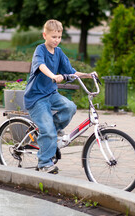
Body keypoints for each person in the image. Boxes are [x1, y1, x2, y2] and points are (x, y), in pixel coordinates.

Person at [24, 19, 96, 174]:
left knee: (70, 107)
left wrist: (88, 75)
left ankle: (49, 135)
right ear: (45, 35)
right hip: (36, 98)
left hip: (51, 94)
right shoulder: (40, 50)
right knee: (48, 130)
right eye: (53, 37)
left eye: (58, 37)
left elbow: (71, 71)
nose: (56, 40)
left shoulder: (59, 52)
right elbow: (41, 65)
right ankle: (44, 163)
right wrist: (53, 76)